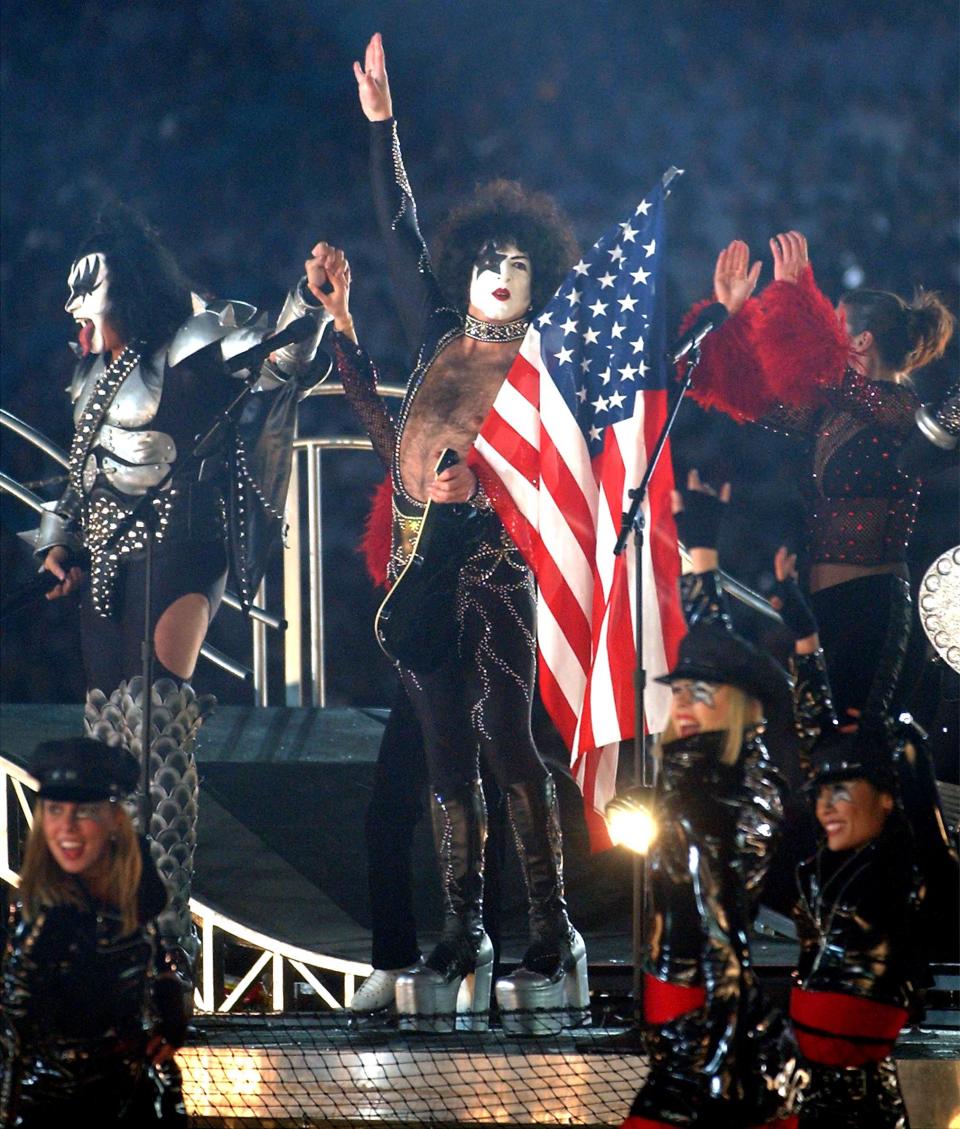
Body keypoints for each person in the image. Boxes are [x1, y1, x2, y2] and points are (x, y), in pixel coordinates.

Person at [348, 33, 585, 1031]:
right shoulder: (439, 330)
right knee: (446, 754)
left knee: (508, 741)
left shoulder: (544, 362)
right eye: (488, 258)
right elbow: (398, 226)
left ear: (539, 280)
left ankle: (553, 932)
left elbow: (561, 470)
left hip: (497, 565)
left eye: (515, 263)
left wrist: (482, 493)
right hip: (421, 566)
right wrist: (381, 127)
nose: (498, 271)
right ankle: (461, 931)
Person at [27, 204, 333, 965]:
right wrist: (57, 542)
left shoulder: (189, 342)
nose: (73, 306)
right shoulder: (92, 374)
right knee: (110, 733)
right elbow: (79, 469)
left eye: (85, 289)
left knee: (156, 721)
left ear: (123, 287)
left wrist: (308, 299)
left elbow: (278, 357)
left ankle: (163, 934)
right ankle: (111, 918)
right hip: (104, 553)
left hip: (183, 542)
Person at [677, 233, 955, 724]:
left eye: (834, 321)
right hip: (817, 603)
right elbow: (751, 396)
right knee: (811, 742)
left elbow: (825, 370)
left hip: (871, 607)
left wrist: (795, 300)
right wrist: (730, 316)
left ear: (862, 341)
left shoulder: (899, 410)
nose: (824, 326)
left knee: (852, 741)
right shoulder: (831, 412)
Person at [622, 473, 793, 1129]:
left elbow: (726, 948)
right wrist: (701, 550)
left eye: (701, 695)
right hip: (677, 1014)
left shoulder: (725, 802)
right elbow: (714, 642)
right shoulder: (695, 772)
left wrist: (716, 1055)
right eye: (681, 691)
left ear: (737, 709)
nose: (684, 706)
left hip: (698, 1023)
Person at [1, 738, 189, 1127]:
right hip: (60, 1109)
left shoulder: (135, 890)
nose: (66, 827)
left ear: (113, 820)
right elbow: (13, 1036)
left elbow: (159, 959)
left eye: (84, 811)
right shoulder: (46, 921)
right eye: (54, 809)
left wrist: (170, 1014)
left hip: (137, 1097)